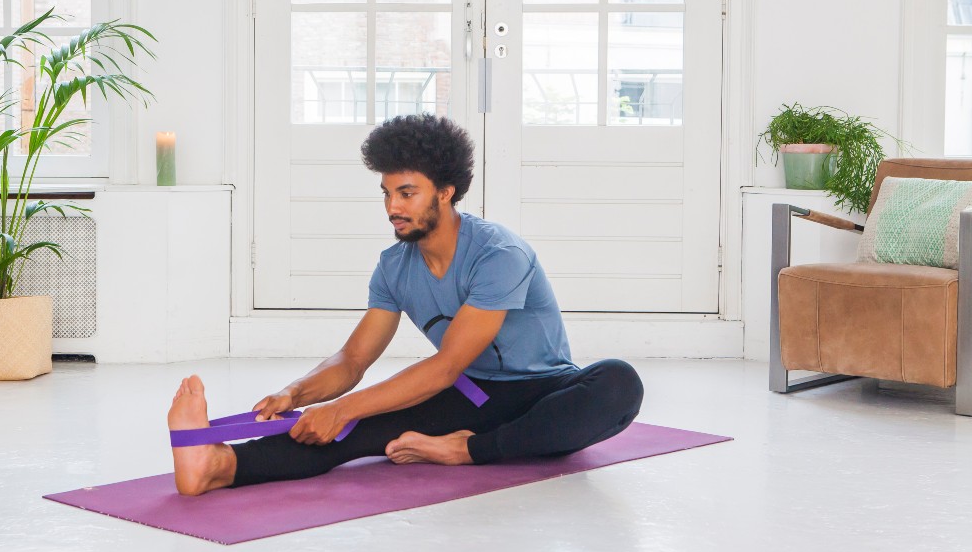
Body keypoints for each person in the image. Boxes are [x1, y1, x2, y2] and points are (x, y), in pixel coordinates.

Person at [169, 114, 644, 496]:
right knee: (349, 429)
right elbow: (353, 360)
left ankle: (466, 451)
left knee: (618, 383)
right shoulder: (394, 266)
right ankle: (218, 465)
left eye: (407, 193)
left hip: (542, 391)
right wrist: (298, 394)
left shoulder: (499, 254)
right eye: (387, 193)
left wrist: (347, 406)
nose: (393, 206)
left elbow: (445, 365)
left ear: (445, 191)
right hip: (471, 393)